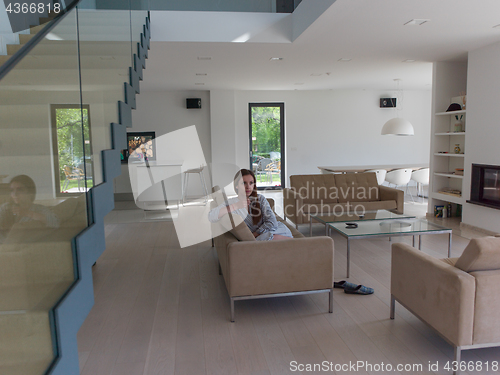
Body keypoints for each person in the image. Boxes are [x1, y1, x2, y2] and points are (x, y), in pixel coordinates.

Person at [208, 169, 292, 241]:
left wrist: (255, 234)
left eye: (251, 183)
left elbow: (272, 222)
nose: (248, 187)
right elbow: (211, 216)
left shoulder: (260, 199)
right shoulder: (232, 203)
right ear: (236, 185)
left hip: (274, 230)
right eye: (244, 183)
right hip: (263, 237)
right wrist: (236, 206)